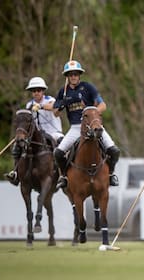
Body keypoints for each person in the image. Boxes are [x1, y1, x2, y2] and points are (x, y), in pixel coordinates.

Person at [53, 60, 120, 189]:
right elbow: (55, 113)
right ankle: (64, 177)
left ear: (79, 75)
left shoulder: (88, 87)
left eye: (76, 74)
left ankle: (111, 175)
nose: (73, 76)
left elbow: (103, 105)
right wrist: (62, 104)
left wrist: (91, 113)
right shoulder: (63, 92)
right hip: (75, 128)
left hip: (92, 125)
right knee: (58, 153)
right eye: (70, 74)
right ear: (67, 76)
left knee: (114, 150)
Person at [4, 76, 64, 186]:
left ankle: (62, 174)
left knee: (62, 146)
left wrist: (40, 106)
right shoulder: (29, 105)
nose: (36, 93)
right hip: (38, 135)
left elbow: (54, 107)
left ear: (43, 91)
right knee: (17, 146)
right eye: (34, 91)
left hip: (53, 132)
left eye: (39, 90)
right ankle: (15, 173)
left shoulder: (50, 100)